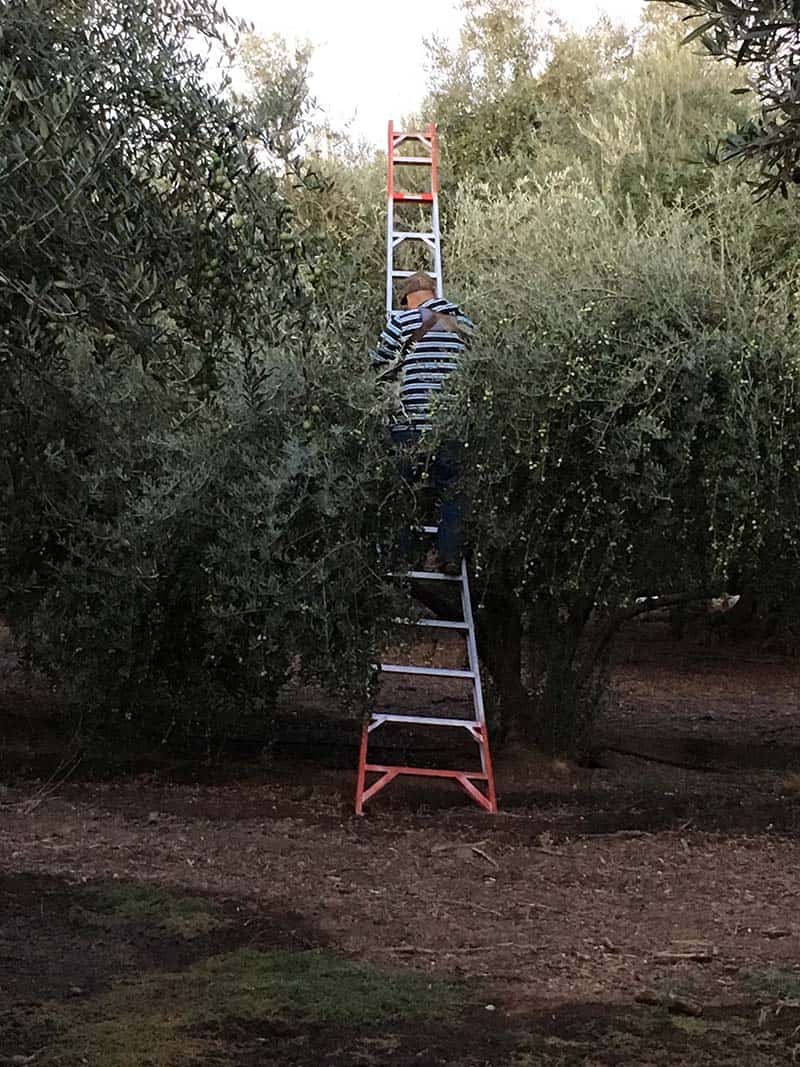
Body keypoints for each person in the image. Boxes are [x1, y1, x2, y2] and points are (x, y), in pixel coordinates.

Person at [370, 271, 474, 574]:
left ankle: (402, 556)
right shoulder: (463, 323)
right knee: (452, 489)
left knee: (402, 490)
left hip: (409, 424)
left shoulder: (402, 322)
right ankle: (449, 555)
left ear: (409, 299)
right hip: (450, 423)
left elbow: (379, 365)